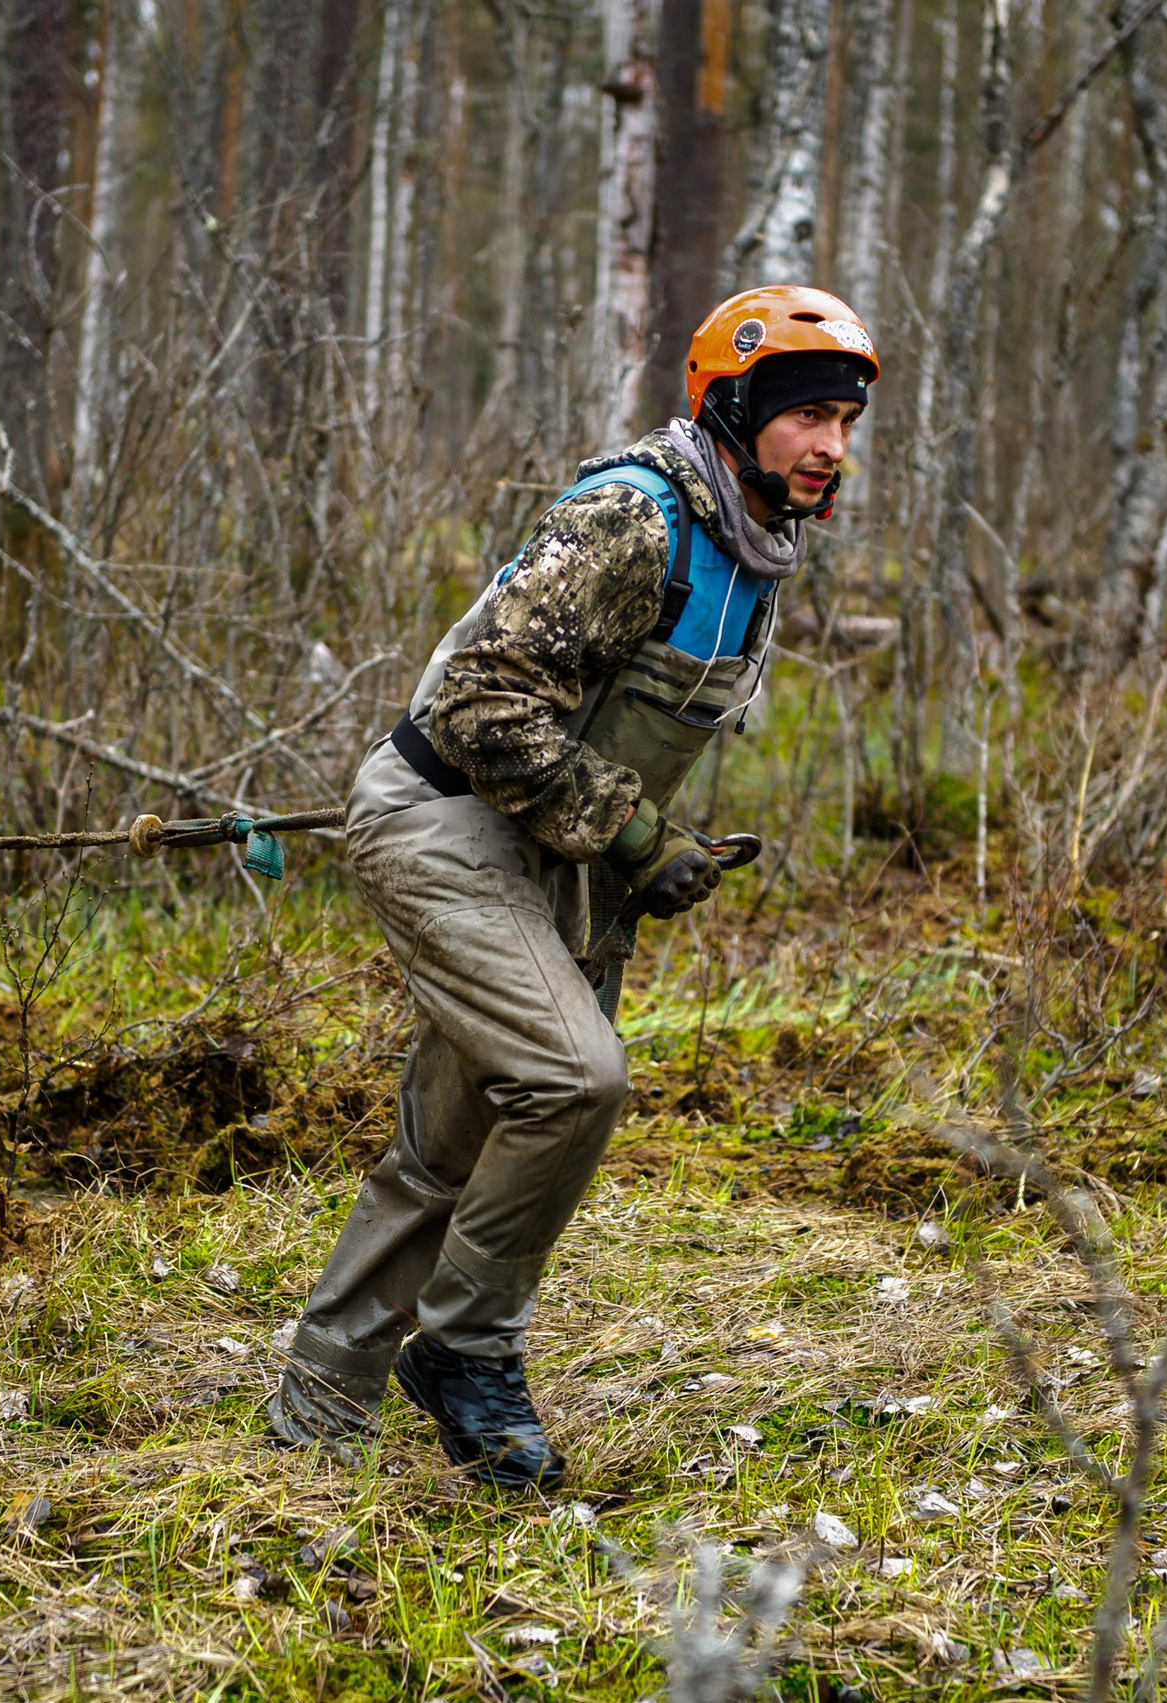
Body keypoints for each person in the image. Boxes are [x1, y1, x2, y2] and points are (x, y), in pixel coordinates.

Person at [268, 285, 880, 1490]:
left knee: (451, 1139)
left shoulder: (758, 538)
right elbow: (480, 706)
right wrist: (639, 835)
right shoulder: (631, 518)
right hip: (442, 821)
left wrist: (622, 846)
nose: (832, 448)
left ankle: (315, 1414)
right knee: (571, 1075)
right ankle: (466, 1349)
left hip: (557, 856)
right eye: (809, 417)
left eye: (848, 424)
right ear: (736, 404)